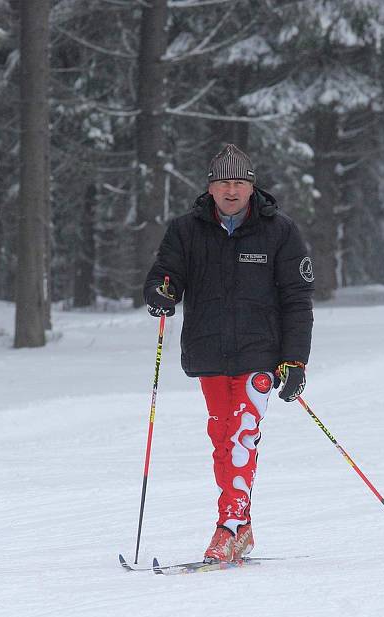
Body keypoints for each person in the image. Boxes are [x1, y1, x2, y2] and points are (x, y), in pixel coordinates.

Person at [144, 143, 314, 563]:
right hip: (210, 351)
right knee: (222, 439)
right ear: (211, 187)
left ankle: (229, 526)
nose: (231, 190)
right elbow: (167, 273)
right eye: (223, 182)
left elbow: (297, 298)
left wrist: (295, 360)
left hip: (262, 354)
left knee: (242, 436)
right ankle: (243, 527)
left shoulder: (280, 231)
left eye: (239, 182)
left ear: (252, 187)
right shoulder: (186, 230)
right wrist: (161, 291)